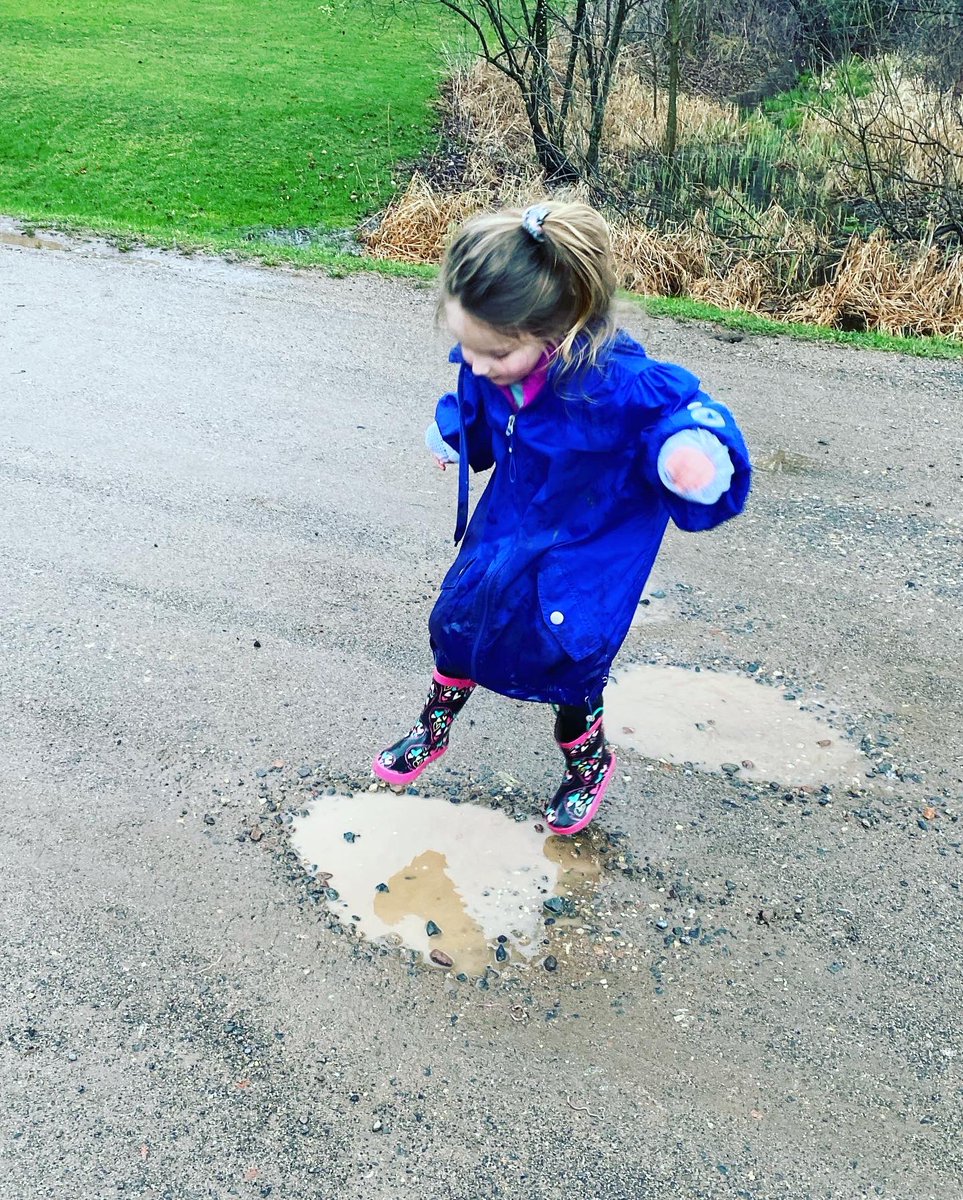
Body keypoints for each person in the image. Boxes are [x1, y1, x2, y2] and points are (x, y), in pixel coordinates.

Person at [372, 201, 751, 836]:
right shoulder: (495, 361)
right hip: (508, 527)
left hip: (586, 548)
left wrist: (690, 456)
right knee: (461, 620)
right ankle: (434, 723)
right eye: (466, 347)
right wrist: (458, 433)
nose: (476, 364)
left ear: (558, 330)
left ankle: (587, 764)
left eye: (492, 352)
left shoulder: (622, 386)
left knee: (569, 659)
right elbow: (478, 405)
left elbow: (683, 414)